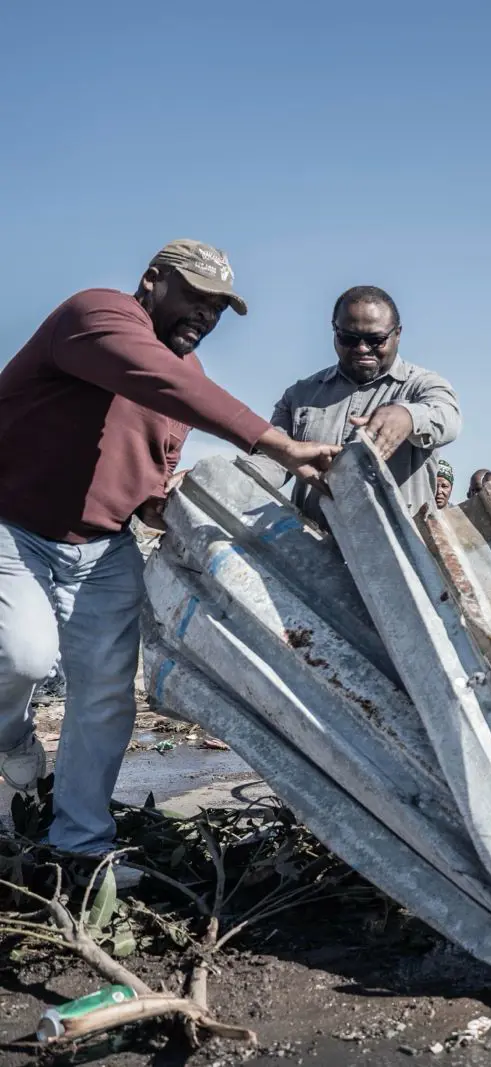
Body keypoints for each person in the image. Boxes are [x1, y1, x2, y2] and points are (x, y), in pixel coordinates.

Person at [0, 240, 338, 875]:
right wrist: (276, 444)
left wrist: (158, 504)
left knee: (104, 696)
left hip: (101, 549)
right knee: (23, 653)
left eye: (217, 308)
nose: (205, 316)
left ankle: (80, 844)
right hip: (13, 529)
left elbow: (155, 470)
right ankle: (10, 734)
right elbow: (152, 375)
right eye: (195, 297)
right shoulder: (95, 318)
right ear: (151, 282)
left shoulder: (186, 383)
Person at [244, 286, 460, 521]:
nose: (362, 349)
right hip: (312, 549)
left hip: (399, 551)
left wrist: (408, 417)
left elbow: (448, 419)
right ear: (334, 331)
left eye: (376, 340)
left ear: (397, 333)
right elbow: (273, 460)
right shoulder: (301, 394)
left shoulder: (422, 385)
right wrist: (231, 481)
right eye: (349, 338)